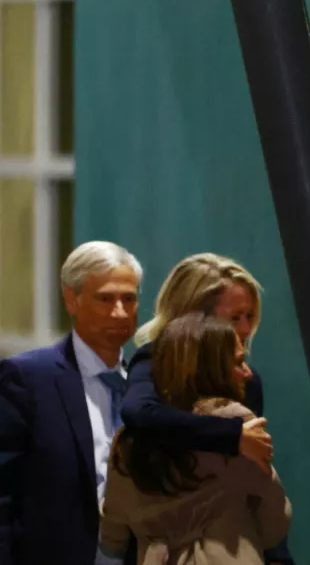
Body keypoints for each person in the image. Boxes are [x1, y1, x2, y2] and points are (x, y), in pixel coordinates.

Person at [121, 253, 294, 565]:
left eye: (249, 316)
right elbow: (139, 414)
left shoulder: (246, 382)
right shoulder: (154, 362)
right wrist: (232, 435)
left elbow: (256, 486)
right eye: (234, 318)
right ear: (194, 318)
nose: (244, 329)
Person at [0, 241, 143, 565]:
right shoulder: (28, 378)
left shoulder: (145, 384)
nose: (119, 311)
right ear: (71, 299)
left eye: (129, 299)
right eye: (105, 298)